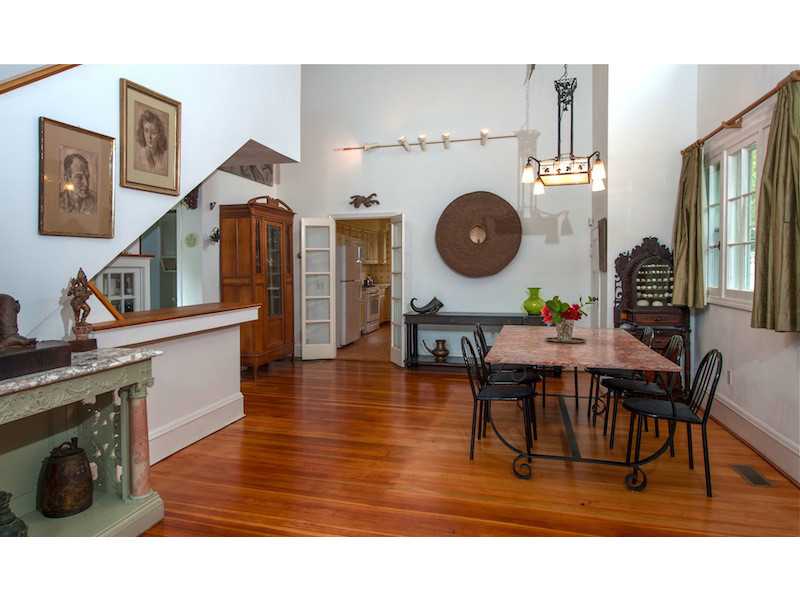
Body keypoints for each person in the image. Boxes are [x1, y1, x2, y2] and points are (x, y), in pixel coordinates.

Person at [135, 109, 168, 175]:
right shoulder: (140, 155)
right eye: (146, 131)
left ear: (159, 134)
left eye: (153, 132)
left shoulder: (165, 156)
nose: (149, 137)